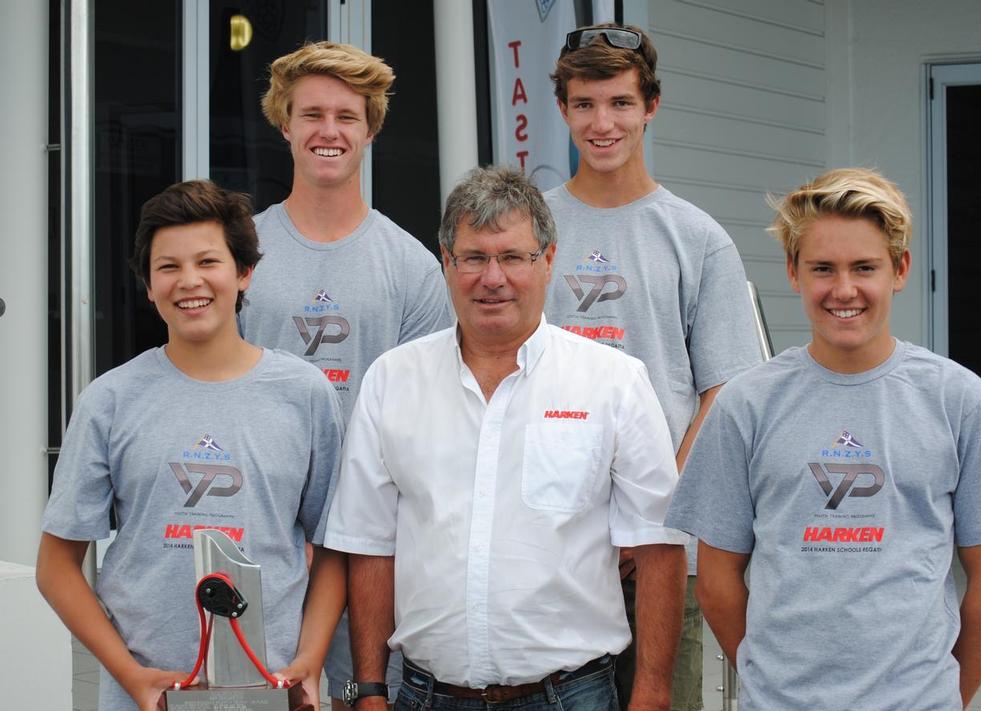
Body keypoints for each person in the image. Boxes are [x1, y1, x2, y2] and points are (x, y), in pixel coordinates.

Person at [316, 166, 687, 710]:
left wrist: (652, 692)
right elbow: (372, 545)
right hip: (427, 695)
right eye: (473, 258)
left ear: (549, 260)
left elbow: (659, 549)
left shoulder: (613, 381)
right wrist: (370, 689)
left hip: (570, 696)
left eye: (513, 257)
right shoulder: (393, 380)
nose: (493, 278)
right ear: (446, 262)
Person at [666, 168, 981, 710]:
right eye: (823, 269)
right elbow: (716, 582)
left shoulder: (960, 400)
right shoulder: (746, 405)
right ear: (794, 272)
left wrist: (945, 696)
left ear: (899, 269)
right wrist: (775, 686)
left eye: (864, 267)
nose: (844, 289)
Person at [36, 180, 347, 711]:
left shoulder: (305, 395)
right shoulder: (110, 400)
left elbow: (336, 548)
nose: (190, 282)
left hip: (270, 693)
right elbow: (56, 567)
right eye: (168, 267)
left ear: (244, 271)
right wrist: (132, 676)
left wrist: (310, 661)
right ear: (148, 284)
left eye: (208, 261)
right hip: (144, 699)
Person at [544, 23, 762, 710]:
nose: (601, 123)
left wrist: (652, 518)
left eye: (620, 103)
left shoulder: (697, 238)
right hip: (547, 544)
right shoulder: (530, 229)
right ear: (563, 110)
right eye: (584, 104)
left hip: (668, 554)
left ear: (651, 107)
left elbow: (724, 392)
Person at [241, 41, 452, 708]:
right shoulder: (238, 254)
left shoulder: (414, 269)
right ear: (284, 124)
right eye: (311, 115)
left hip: (377, 547)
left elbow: (430, 421)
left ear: (370, 129)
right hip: (266, 536)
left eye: (346, 117)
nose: (328, 132)